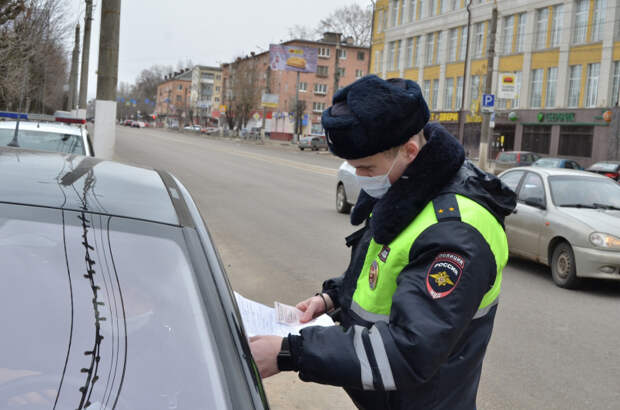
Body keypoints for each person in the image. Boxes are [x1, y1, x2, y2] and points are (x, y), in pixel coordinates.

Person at [250, 75, 516, 409]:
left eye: (366, 167)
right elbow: (385, 269)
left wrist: (290, 352)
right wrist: (332, 299)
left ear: (409, 150)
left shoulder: (456, 232)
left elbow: (411, 350)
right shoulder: (409, 188)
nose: (360, 177)